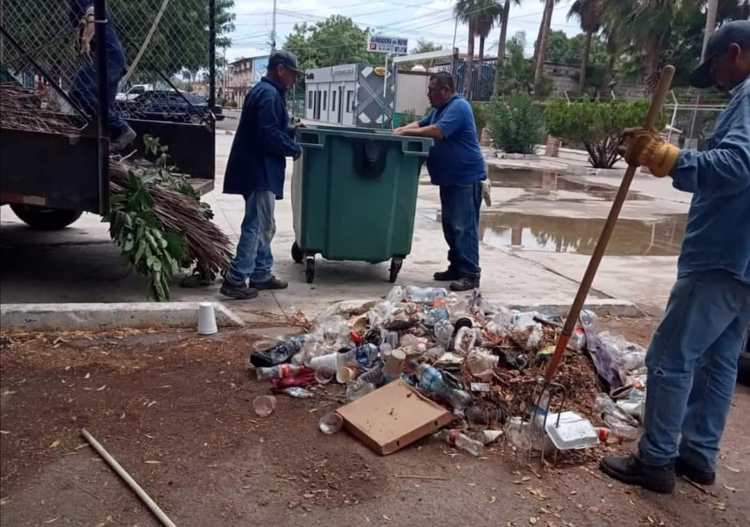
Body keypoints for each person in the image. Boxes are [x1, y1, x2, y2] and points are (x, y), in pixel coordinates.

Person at [600, 20, 750, 494]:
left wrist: (668, 158)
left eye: (718, 70)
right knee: (719, 359)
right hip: (743, 261)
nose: (719, 81)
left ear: (736, 53)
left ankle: (656, 461)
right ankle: (697, 455)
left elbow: (737, 165)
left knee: (669, 356)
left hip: (723, 254)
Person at [220, 51, 303, 300]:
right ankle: (235, 279)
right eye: (292, 74)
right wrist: (293, 148)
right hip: (259, 171)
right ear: (280, 69)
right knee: (256, 225)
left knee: (264, 223)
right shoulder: (268, 95)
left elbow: (270, 128)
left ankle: (261, 273)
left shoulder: (265, 92)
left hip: (256, 169)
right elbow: (267, 135)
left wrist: (290, 129)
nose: (293, 80)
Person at [394, 72, 486, 292]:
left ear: (445, 90)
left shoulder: (459, 107)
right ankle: (456, 267)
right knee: (451, 226)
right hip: (450, 178)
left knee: (464, 227)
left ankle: (470, 274)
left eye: (432, 90)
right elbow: (423, 122)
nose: (428, 95)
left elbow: (437, 131)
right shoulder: (439, 109)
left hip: (465, 177)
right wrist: (401, 129)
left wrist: (404, 132)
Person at [68, 0, 135, 152]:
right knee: (104, 106)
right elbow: (81, 24)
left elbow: (94, 12)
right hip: (111, 57)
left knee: (79, 90)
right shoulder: (73, 8)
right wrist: (79, 41)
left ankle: (122, 128)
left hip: (108, 57)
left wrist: (86, 38)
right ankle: (107, 146)